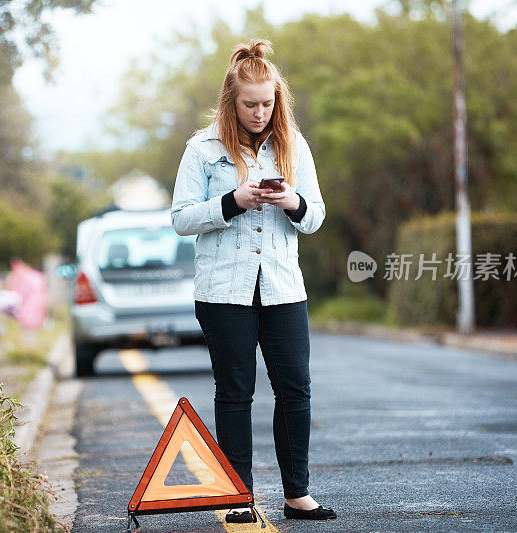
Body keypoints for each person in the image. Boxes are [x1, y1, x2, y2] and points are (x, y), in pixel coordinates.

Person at [170, 38, 336, 523]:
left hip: (283, 287)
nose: (260, 112)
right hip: (224, 291)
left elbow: (316, 215)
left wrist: (291, 202)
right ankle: (237, 497)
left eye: (267, 103)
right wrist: (233, 201)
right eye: (250, 104)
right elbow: (181, 218)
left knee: (296, 388)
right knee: (235, 392)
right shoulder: (201, 149)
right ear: (231, 101)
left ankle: (297, 494)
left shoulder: (294, 146)